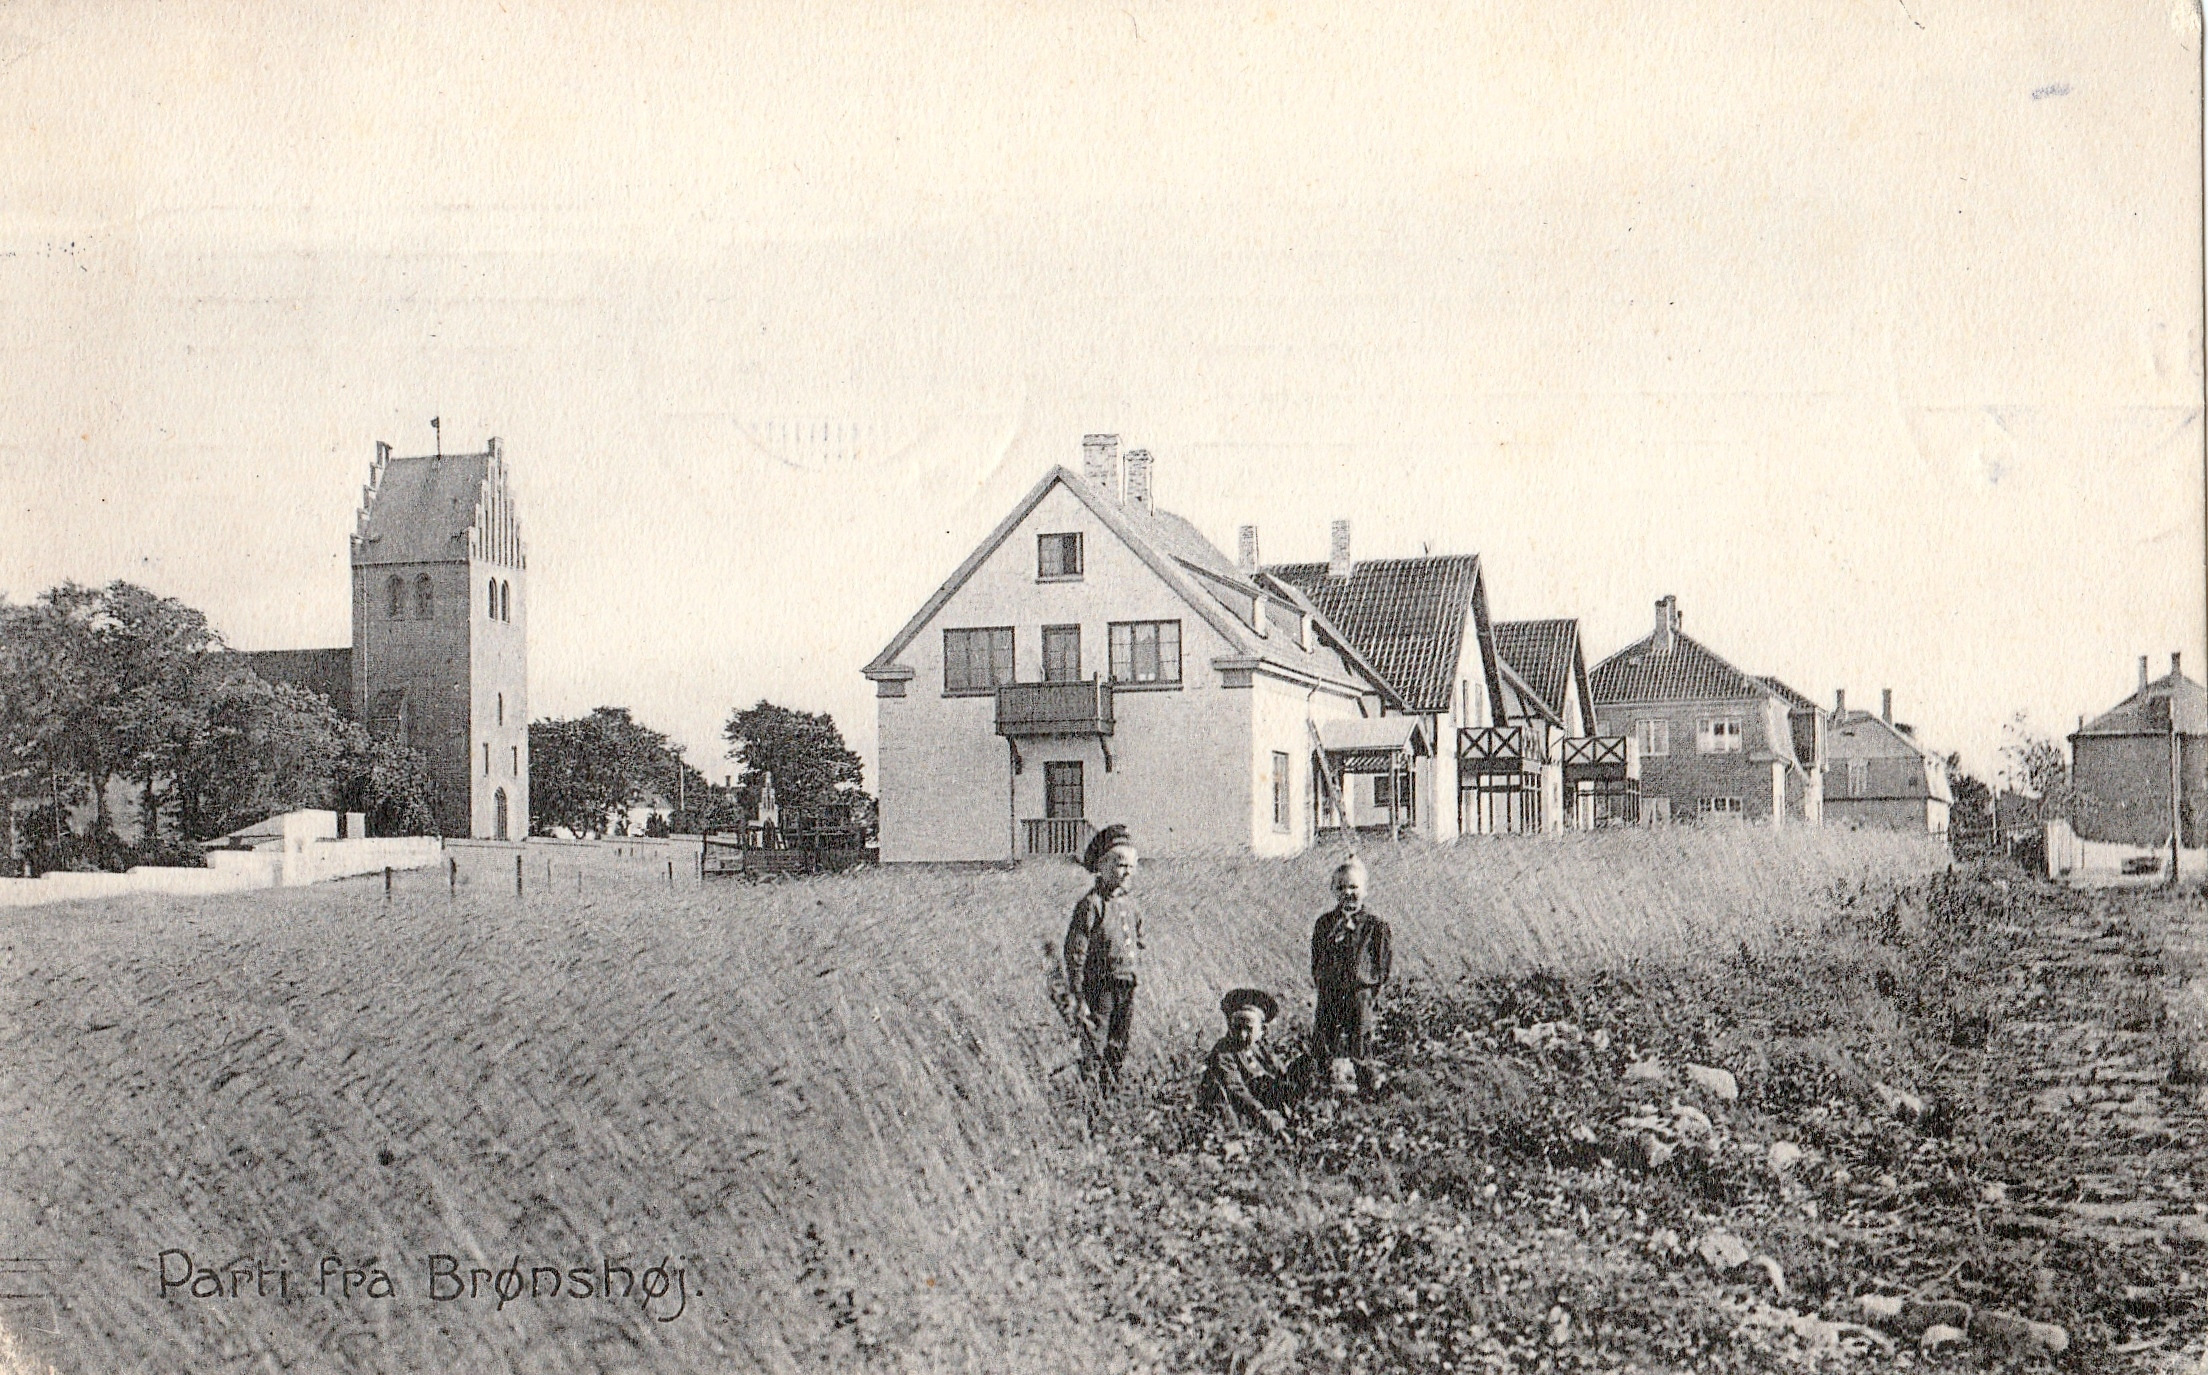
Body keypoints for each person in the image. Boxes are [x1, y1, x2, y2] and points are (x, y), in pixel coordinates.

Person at [1063, 825, 1143, 1091]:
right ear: (1102, 866)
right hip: (1101, 987)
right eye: (1120, 865)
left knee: (1119, 1042)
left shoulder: (1130, 904)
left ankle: (1111, 1093)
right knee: (1096, 1041)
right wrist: (1077, 991)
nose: (1126, 872)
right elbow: (1076, 951)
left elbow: (1138, 939)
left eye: (1131, 866)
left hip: (1126, 984)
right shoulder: (1092, 904)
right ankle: (1091, 1099)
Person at [1311, 855, 1391, 1063]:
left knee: (1360, 1049)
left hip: (1359, 997)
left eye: (1354, 887)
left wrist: (1367, 991)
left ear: (1364, 890)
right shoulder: (1324, 924)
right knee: (1325, 1047)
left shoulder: (1375, 926)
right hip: (1330, 995)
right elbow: (1317, 961)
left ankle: (1363, 1090)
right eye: (1341, 888)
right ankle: (1324, 1089)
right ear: (1333, 890)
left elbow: (1382, 968)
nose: (1348, 893)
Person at [1197, 988, 1298, 1134]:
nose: (1242, 1035)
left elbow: (1280, 1073)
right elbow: (1234, 1087)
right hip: (1243, 1111)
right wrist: (1262, 1112)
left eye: (1248, 1029)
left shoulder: (1261, 1049)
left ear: (1262, 1030)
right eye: (1237, 1028)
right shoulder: (1224, 1051)